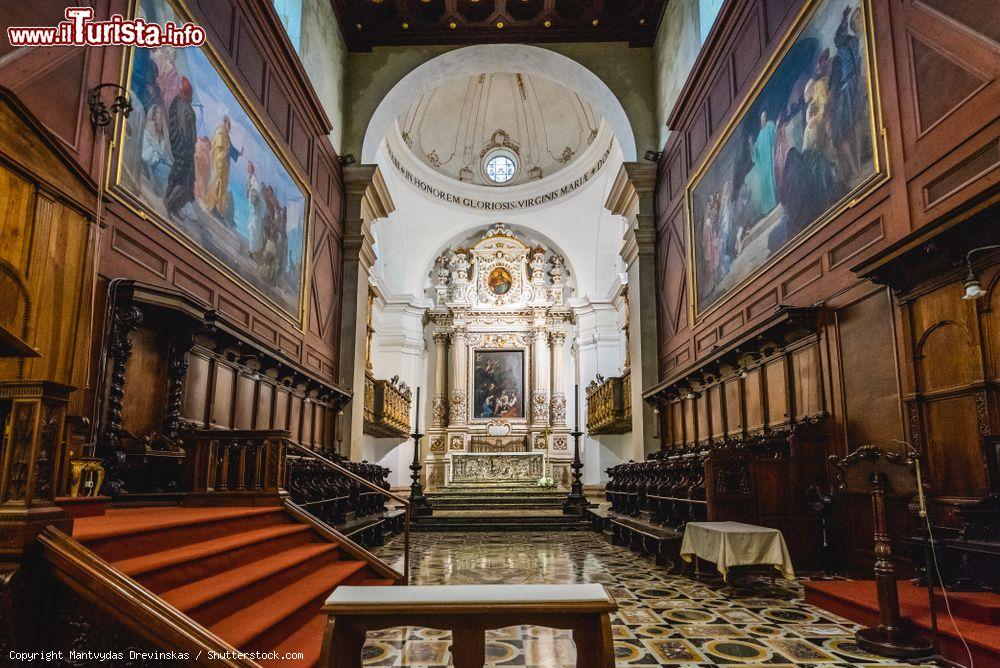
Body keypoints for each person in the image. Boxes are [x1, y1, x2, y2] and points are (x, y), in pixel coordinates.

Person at [165, 77, 197, 217]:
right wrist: (189, 145)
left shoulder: (180, 104)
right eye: (190, 94)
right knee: (183, 179)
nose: (191, 97)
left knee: (184, 179)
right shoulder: (183, 107)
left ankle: (173, 206)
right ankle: (170, 203)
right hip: (184, 148)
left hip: (184, 147)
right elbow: (185, 131)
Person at [205, 116, 242, 222]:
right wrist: (224, 153)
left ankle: (218, 208)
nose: (229, 127)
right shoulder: (220, 132)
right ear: (225, 122)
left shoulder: (226, 135)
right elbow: (219, 147)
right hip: (219, 163)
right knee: (217, 184)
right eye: (228, 124)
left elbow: (230, 148)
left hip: (224, 165)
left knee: (222, 187)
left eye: (230, 125)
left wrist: (238, 154)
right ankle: (212, 206)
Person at [750, 110, 778, 215]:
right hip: (764, 164)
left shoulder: (770, 125)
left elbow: (775, 135)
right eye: (762, 117)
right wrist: (751, 145)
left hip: (770, 159)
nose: (763, 119)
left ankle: (775, 201)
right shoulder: (759, 135)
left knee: (772, 179)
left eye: (764, 116)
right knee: (765, 183)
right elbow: (755, 153)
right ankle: (768, 207)